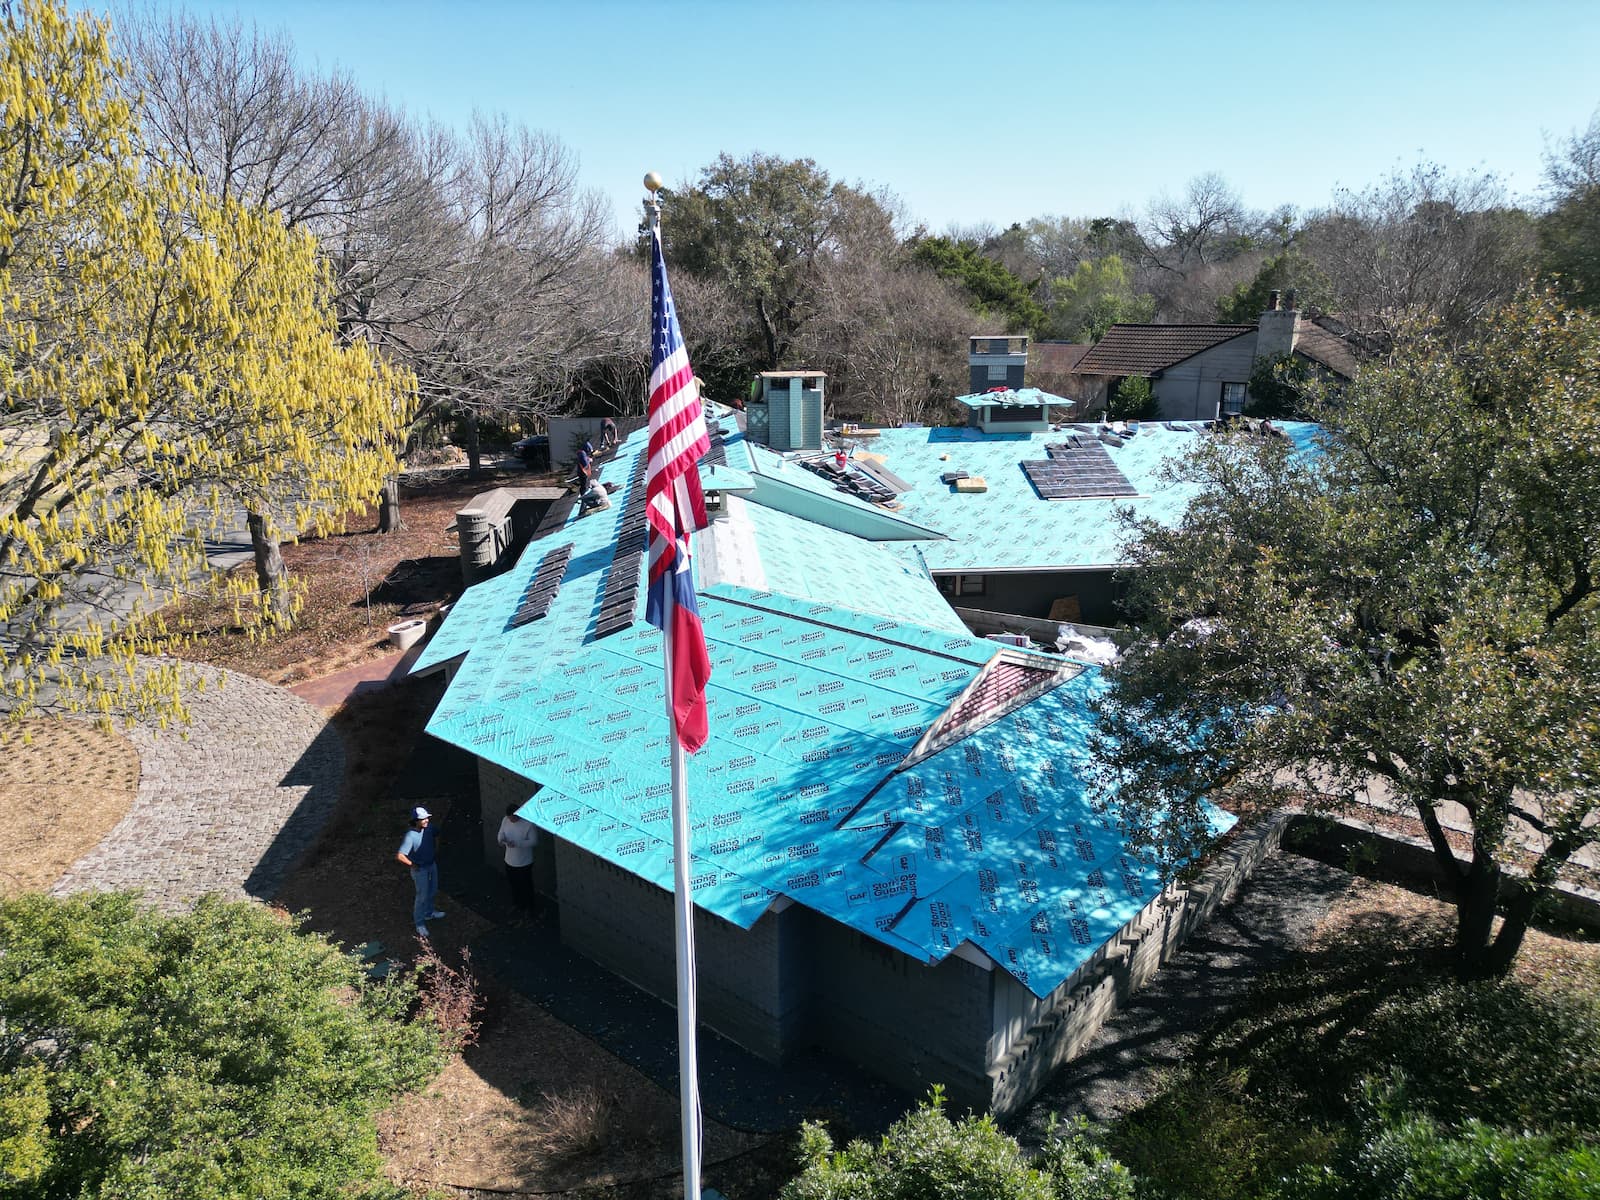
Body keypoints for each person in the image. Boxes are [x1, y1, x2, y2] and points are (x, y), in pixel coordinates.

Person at [396, 806, 445, 937]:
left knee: (433, 890)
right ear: (416, 820)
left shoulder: (429, 828)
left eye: (427, 818)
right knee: (422, 896)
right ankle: (419, 923)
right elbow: (400, 855)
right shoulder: (410, 836)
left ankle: (429, 913)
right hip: (420, 870)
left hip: (431, 865)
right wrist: (413, 865)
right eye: (423, 819)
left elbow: (437, 833)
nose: (427, 820)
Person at [496, 803, 539, 914]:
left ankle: (530, 908)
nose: (511, 820)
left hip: (524, 862)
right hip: (509, 860)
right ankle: (518, 904)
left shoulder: (528, 824)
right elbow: (501, 832)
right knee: (514, 884)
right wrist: (501, 839)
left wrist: (518, 843)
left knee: (526, 886)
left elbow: (534, 841)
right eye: (509, 818)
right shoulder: (505, 820)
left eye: (513, 818)